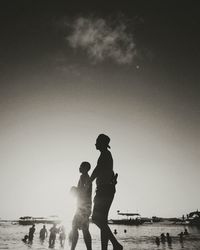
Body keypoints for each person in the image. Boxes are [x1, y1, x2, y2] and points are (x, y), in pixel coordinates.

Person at [90, 134, 123, 250]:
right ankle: (105, 248)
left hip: (104, 189)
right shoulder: (105, 155)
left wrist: (89, 180)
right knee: (102, 221)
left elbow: (98, 169)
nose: (95, 143)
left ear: (102, 143)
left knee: (96, 218)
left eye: (97, 141)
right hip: (106, 189)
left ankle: (116, 244)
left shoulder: (105, 154)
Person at [70, 161, 92, 250]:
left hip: (84, 207)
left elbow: (84, 191)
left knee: (80, 228)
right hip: (83, 207)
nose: (79, 168)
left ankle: (73, 248)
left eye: (81, 167)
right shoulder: (83, 177)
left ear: (85, 169)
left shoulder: (85, 177)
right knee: (82, 228)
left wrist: (74, 189)